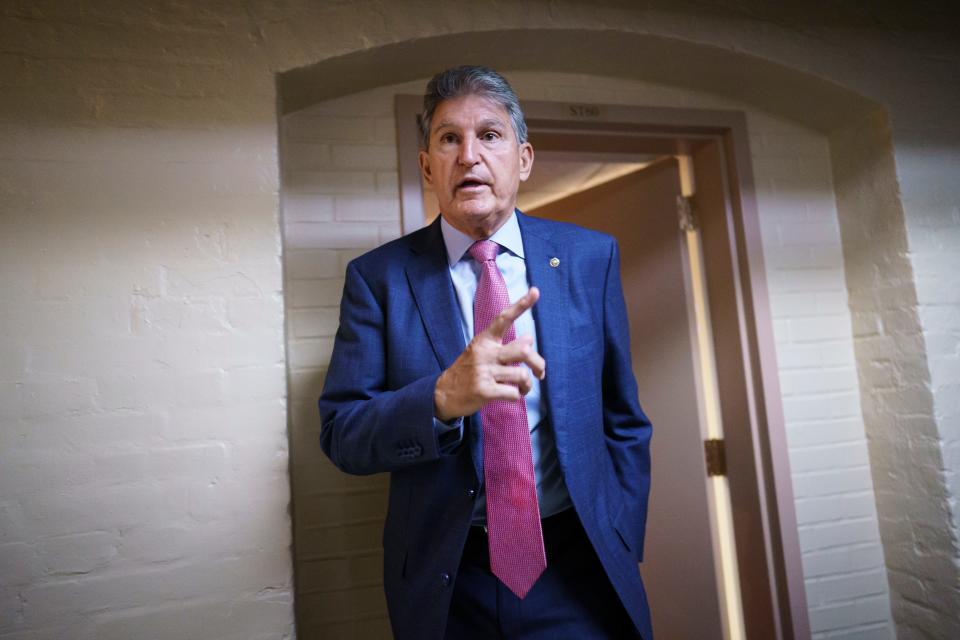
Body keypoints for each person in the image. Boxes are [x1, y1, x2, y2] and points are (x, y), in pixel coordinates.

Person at [319, 65, 653, 639]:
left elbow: (623, 419)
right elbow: (342, 433)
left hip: (578, 567)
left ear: (522, 159)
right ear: (428, 167)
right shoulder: (378, 279)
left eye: (489, 136)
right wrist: (442, 397)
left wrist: (619, 531)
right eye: (449, 139)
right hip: (449, 580)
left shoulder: (588, 258)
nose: (469, 156)